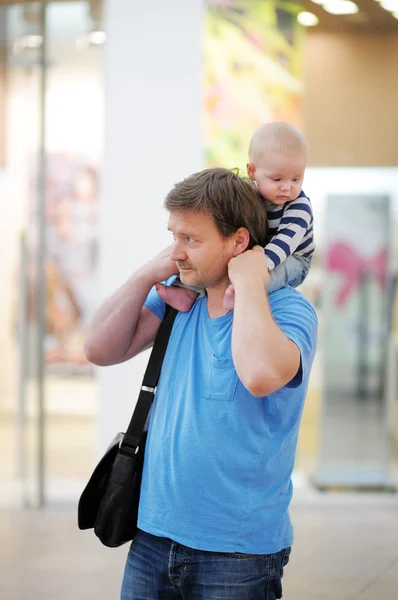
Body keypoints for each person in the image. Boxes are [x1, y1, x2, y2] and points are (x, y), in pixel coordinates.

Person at [84, 168, 318, 600]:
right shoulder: (178, 299)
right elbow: (98, 349)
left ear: (239, 242)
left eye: (191, 239)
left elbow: (261, 374)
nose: (177, 252)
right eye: (173, 235)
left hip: (237, 555)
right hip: (151, 537)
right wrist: (146, 273)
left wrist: (249, 280)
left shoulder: (289, 311)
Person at [157, 121, 314, 312]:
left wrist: (255, 266)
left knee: (266, 276)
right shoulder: (253, 198)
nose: (287, 187)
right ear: (252, 172)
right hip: (263, 252)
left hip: (294, 258)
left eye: (296, 179)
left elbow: (285, 243)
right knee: (210, 264)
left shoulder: (299, 206)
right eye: (277, 179)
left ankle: (242, 296)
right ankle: (186, 292)